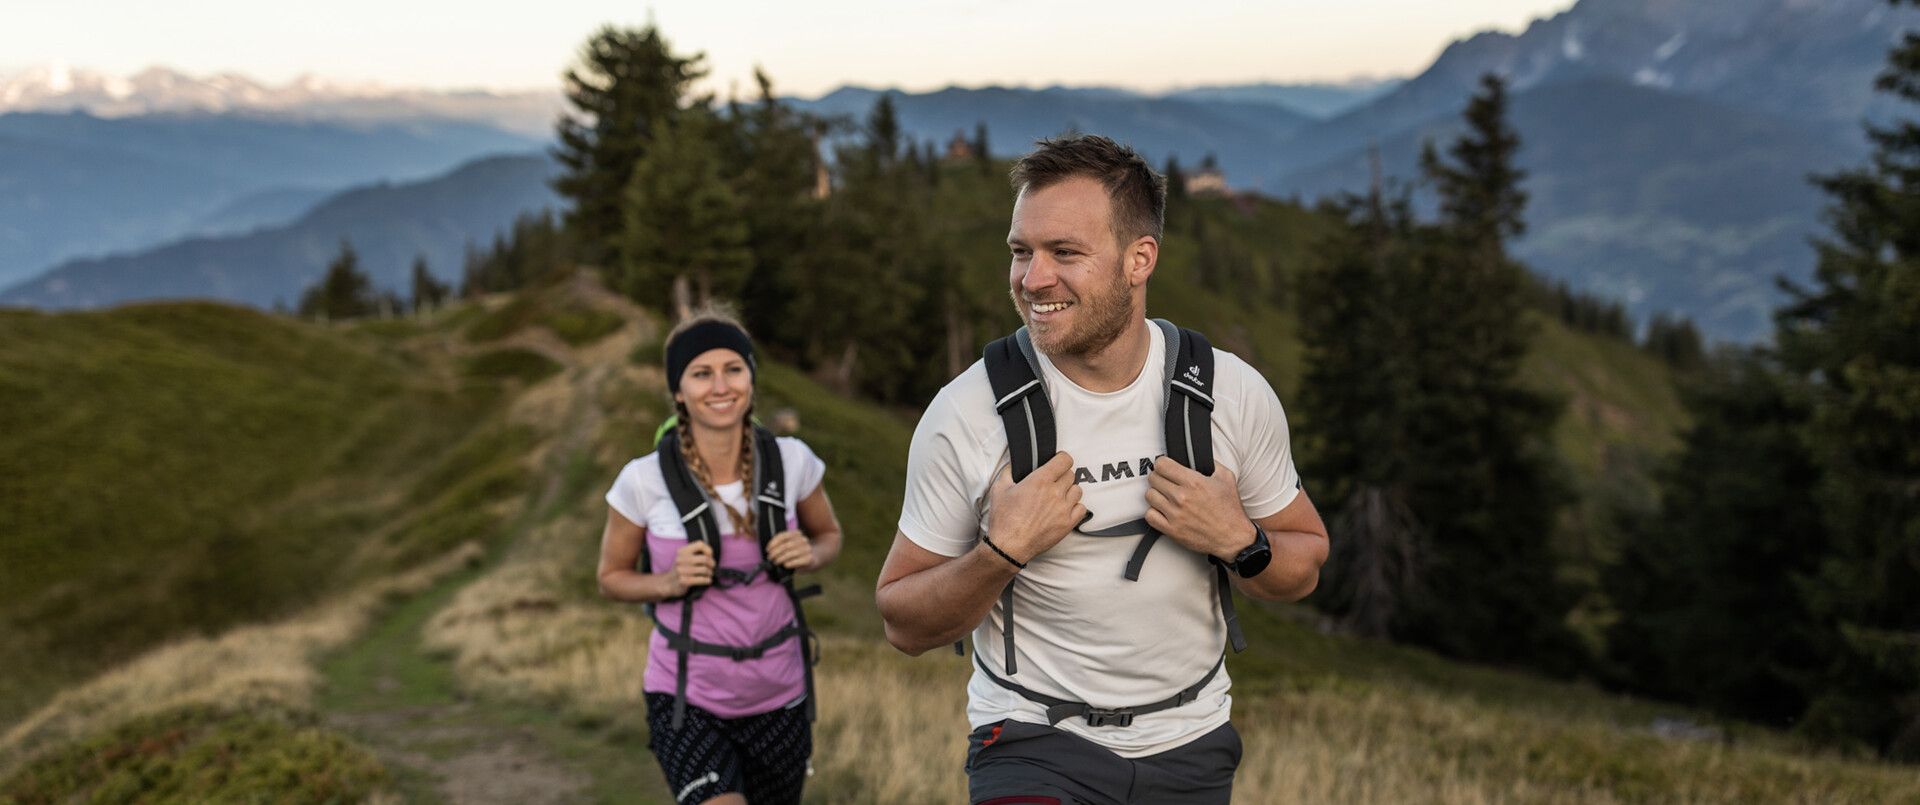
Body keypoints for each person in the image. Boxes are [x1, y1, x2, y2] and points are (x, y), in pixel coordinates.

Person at [875, 134, 1329, 804]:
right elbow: (901, 622)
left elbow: (1306, 562)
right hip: (1031, 743)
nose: (1032, 279)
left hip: (1193, 746)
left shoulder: (1228, 394)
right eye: (1021, 251)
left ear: (1139, 258)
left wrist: (1242, 540)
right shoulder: (966, 413)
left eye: (1064, 252)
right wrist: (1000, 551)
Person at [599, 306, 843, 805]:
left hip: (782, 694)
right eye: (701, 373)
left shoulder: (792, 461)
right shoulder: (641, 481)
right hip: (685, 698)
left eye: (733, 369)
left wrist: (810, 554)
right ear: (677, 390)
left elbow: (830, 537)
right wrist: (666, 582)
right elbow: (611, 577)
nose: (720, 386)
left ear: (751, 379)